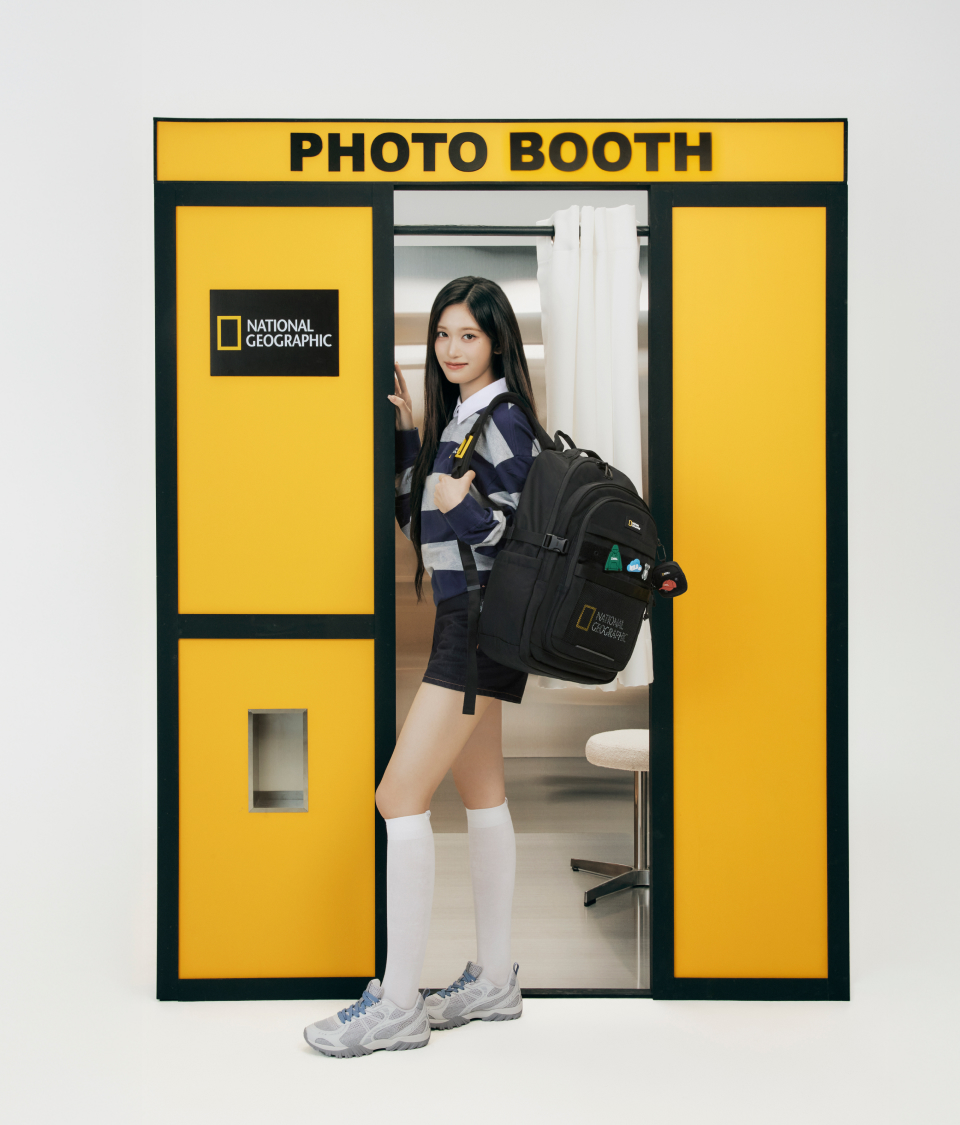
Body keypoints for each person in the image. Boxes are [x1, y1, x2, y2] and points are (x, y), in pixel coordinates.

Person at [304, 276, 540, 1057]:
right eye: (443, 334)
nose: (451, 348)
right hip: (468, 621)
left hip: (473, 629)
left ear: (497, 341)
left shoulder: (505, 421)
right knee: (483, 792)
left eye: (468, 335)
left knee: (398, 795)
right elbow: (422, 519)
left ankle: (399, 1003)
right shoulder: (463, 419)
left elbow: (511, 532)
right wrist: (412, 441)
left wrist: (454, 497)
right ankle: (496, 979)